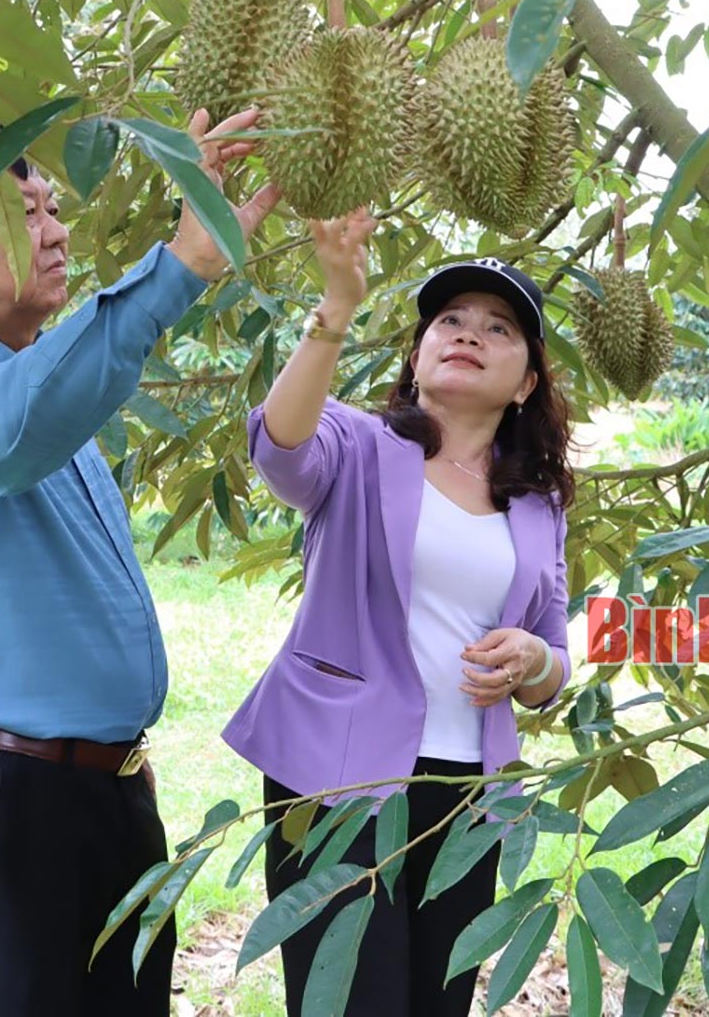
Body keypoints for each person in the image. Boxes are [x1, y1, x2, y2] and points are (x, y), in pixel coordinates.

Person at [0, 110, 278, 1016]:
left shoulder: (46, 375)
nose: (55, 229)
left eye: (51, 206)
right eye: (25, 211)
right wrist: (179, 268)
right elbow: (16, 421)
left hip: (105, 792)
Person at [222, 212, 574, 1017]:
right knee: (350, 1002)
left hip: (467, 794)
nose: (468, 334)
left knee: (436, 1002)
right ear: (417, 356)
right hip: (338, 773)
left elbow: (553, 656)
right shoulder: (357, 443)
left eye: (498, 327)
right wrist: (335, 308)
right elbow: (279, 448)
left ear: (526, 382)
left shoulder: (537, 502)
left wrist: (534, 659)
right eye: (448, 320)